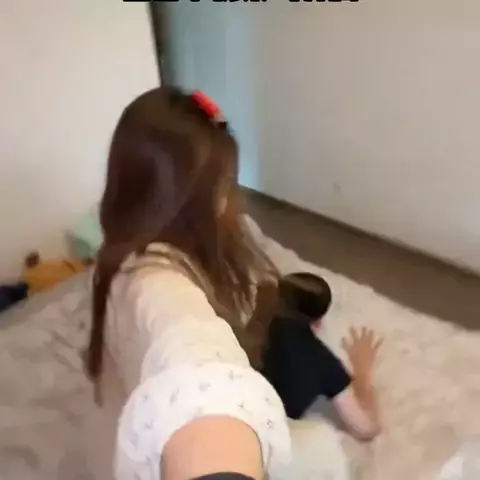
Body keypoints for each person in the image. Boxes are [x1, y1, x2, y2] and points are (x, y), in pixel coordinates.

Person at [84, 87, 291, 480]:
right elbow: (196, 364)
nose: (230, 201)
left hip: (125, 445)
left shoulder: (116, 255)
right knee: (326, 450)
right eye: (225, 186)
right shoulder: (161, 290)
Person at [262, 272, 382, 441]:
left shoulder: (255, 322)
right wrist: (363, 374)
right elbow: (367, 429)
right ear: (319, 321)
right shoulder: (324, 364)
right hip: (268, 431)